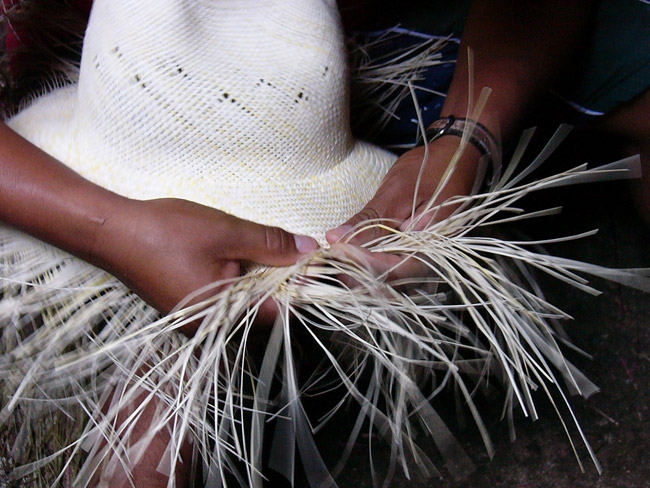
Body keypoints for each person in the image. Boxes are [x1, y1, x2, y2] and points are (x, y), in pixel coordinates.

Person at [1, 1, 649, 487]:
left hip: (377, 40)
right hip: (148, 75)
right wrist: (105, 227)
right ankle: (174, 367)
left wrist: (466, 135)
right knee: (149, 442)